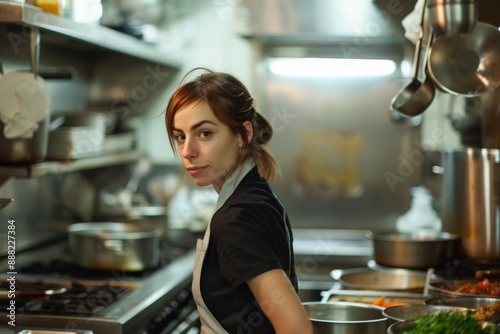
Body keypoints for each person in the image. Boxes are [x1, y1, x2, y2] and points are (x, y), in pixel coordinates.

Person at [164, 67, 313, 334]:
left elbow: (296, 329)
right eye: (180, 136)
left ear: (243, 135)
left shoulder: (235, 219)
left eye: (205, 133)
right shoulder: (257, 192)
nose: (188, 152)